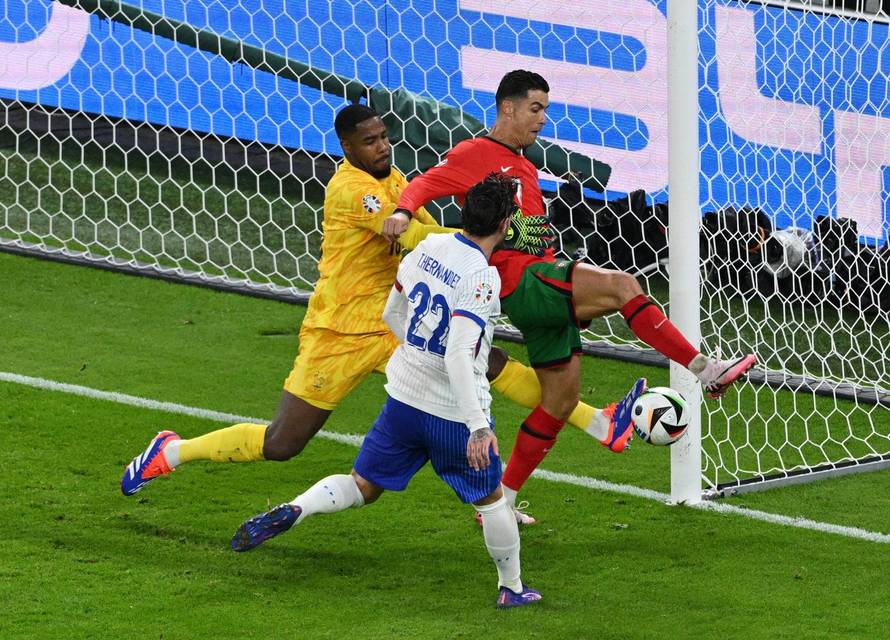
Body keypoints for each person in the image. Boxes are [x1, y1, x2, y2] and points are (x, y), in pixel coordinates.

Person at [120, 103, 643, 525]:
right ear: (347, 148)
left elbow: (438, 235)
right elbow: (421, 236)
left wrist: (493, 242)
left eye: (385, 136)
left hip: (398, 322)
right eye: (370, 141)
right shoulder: (350, 190)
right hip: (340, 330)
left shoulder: (394, 179)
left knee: (488, 362)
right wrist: (497, 232)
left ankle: (601, 423)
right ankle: (172, 451)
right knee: (283, 444)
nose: (383, 146)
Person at [382, 69, 756, 518]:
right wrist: (403, 212)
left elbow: (530, 230)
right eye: (535, 108)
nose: (542, 119)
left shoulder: (524, 163)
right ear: (508, 107)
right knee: (623, 287)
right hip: (520, 280)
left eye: (545, 109)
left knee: (558, 402)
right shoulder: (476, 152)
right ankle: (705, 369)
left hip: (536, 278)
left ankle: (500, 504)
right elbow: (426, 183)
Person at [230, 174, 542, 608]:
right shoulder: (482, 277)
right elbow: (456, 354)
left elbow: (392, 312)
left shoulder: (429, 247)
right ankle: (512, 588)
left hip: (403, 399)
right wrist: (476, 427)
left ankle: (301, 507)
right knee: (492, 502)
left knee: (364, 485)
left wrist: (414, 353)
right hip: (452, 412)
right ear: (505, 223)